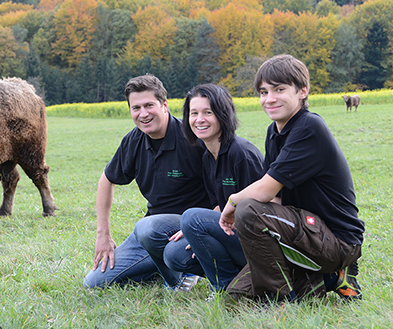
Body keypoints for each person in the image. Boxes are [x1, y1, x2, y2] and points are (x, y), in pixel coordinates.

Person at [219, 54, 364, 303]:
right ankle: (328, 278)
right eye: (263, 92)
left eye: (279, 89)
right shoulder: (274, 131)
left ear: (302, 91)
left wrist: (232, 203)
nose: (269, 98)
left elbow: (264, 192)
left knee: (249, 210)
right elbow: (275, 197)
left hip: (337, 240)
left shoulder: (309, 127)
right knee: (237, 296)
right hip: (304, 232)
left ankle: (277, 302)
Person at [83, 74, 212, 289]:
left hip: (188, 230)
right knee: (94, 283)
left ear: (164, 104)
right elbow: (106, 180)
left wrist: (196, 229)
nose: (143, 114)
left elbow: (220, 190)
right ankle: (162, 267)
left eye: (149, 105)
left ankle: (181, 276)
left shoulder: (192, 141)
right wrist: (103, 235)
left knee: (146, 228)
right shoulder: (133, 141)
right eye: (136, 108)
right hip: (152, 234)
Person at [169, 84, 266, 294]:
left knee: (191, 217)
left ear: (223, 115)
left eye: (208, 112)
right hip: (232, 233)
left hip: (259, 242)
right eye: (193, 113)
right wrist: (195, 234)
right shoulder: (207, 156)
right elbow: (219, 206)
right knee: (174, 254)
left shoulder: (241, 153)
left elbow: (263, 212)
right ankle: (239, 280)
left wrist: (197, 224)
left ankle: (226, 288)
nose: (199, 119)